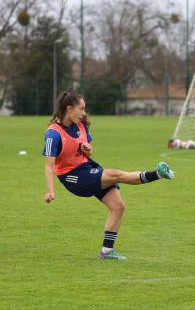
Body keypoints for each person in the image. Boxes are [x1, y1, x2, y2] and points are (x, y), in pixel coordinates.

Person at [42, 91, 175, 260]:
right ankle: (157, 173)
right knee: (115, 174)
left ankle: (106, 251)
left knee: (118, 206)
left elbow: (85, 149)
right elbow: (48, 166)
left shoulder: (81, 125)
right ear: (69, 109)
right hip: (72, 177)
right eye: (81, 109)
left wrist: (88, 150)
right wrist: (50, 191)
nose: (83, 113)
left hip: (87, 167)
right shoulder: (53, 133)